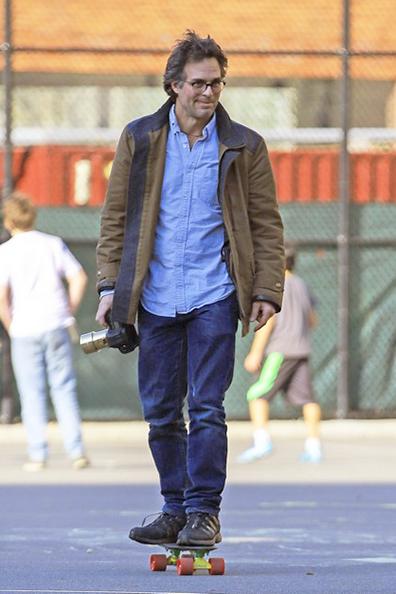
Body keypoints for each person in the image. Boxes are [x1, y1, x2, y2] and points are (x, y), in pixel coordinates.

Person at [95, 30, 285, 546]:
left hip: (215, 293)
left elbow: (266, 223)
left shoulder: (245, 145)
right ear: (173, 86)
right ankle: (173, 508)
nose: (209, 92)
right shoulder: (140, 139)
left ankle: (204, 511)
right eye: (199, 83)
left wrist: (266, 287)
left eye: (217, 83)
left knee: (206, 406)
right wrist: (110, 287)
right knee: (160, 409)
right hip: (152, 295)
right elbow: (117, 218)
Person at [0, 193, 89, 471]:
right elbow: (78, 276)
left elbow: (2, 296)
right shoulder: (52, 244)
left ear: (8, 221)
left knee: (31, 391)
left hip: (25, 327)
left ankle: (38, 453)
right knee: (64, 388)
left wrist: (11, 325)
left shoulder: (7, 251)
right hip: (56, 323)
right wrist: (68, 309)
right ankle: (76, 451)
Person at [238, 248, 322, 464]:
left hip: (280, 352)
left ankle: (261, 443)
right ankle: (314, 447)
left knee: (256, 395)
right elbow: (313, 320)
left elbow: (269, 320)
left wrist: (255, 353)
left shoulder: (275, 285)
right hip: (301, 350)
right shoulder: (302, 284)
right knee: (308, 400)